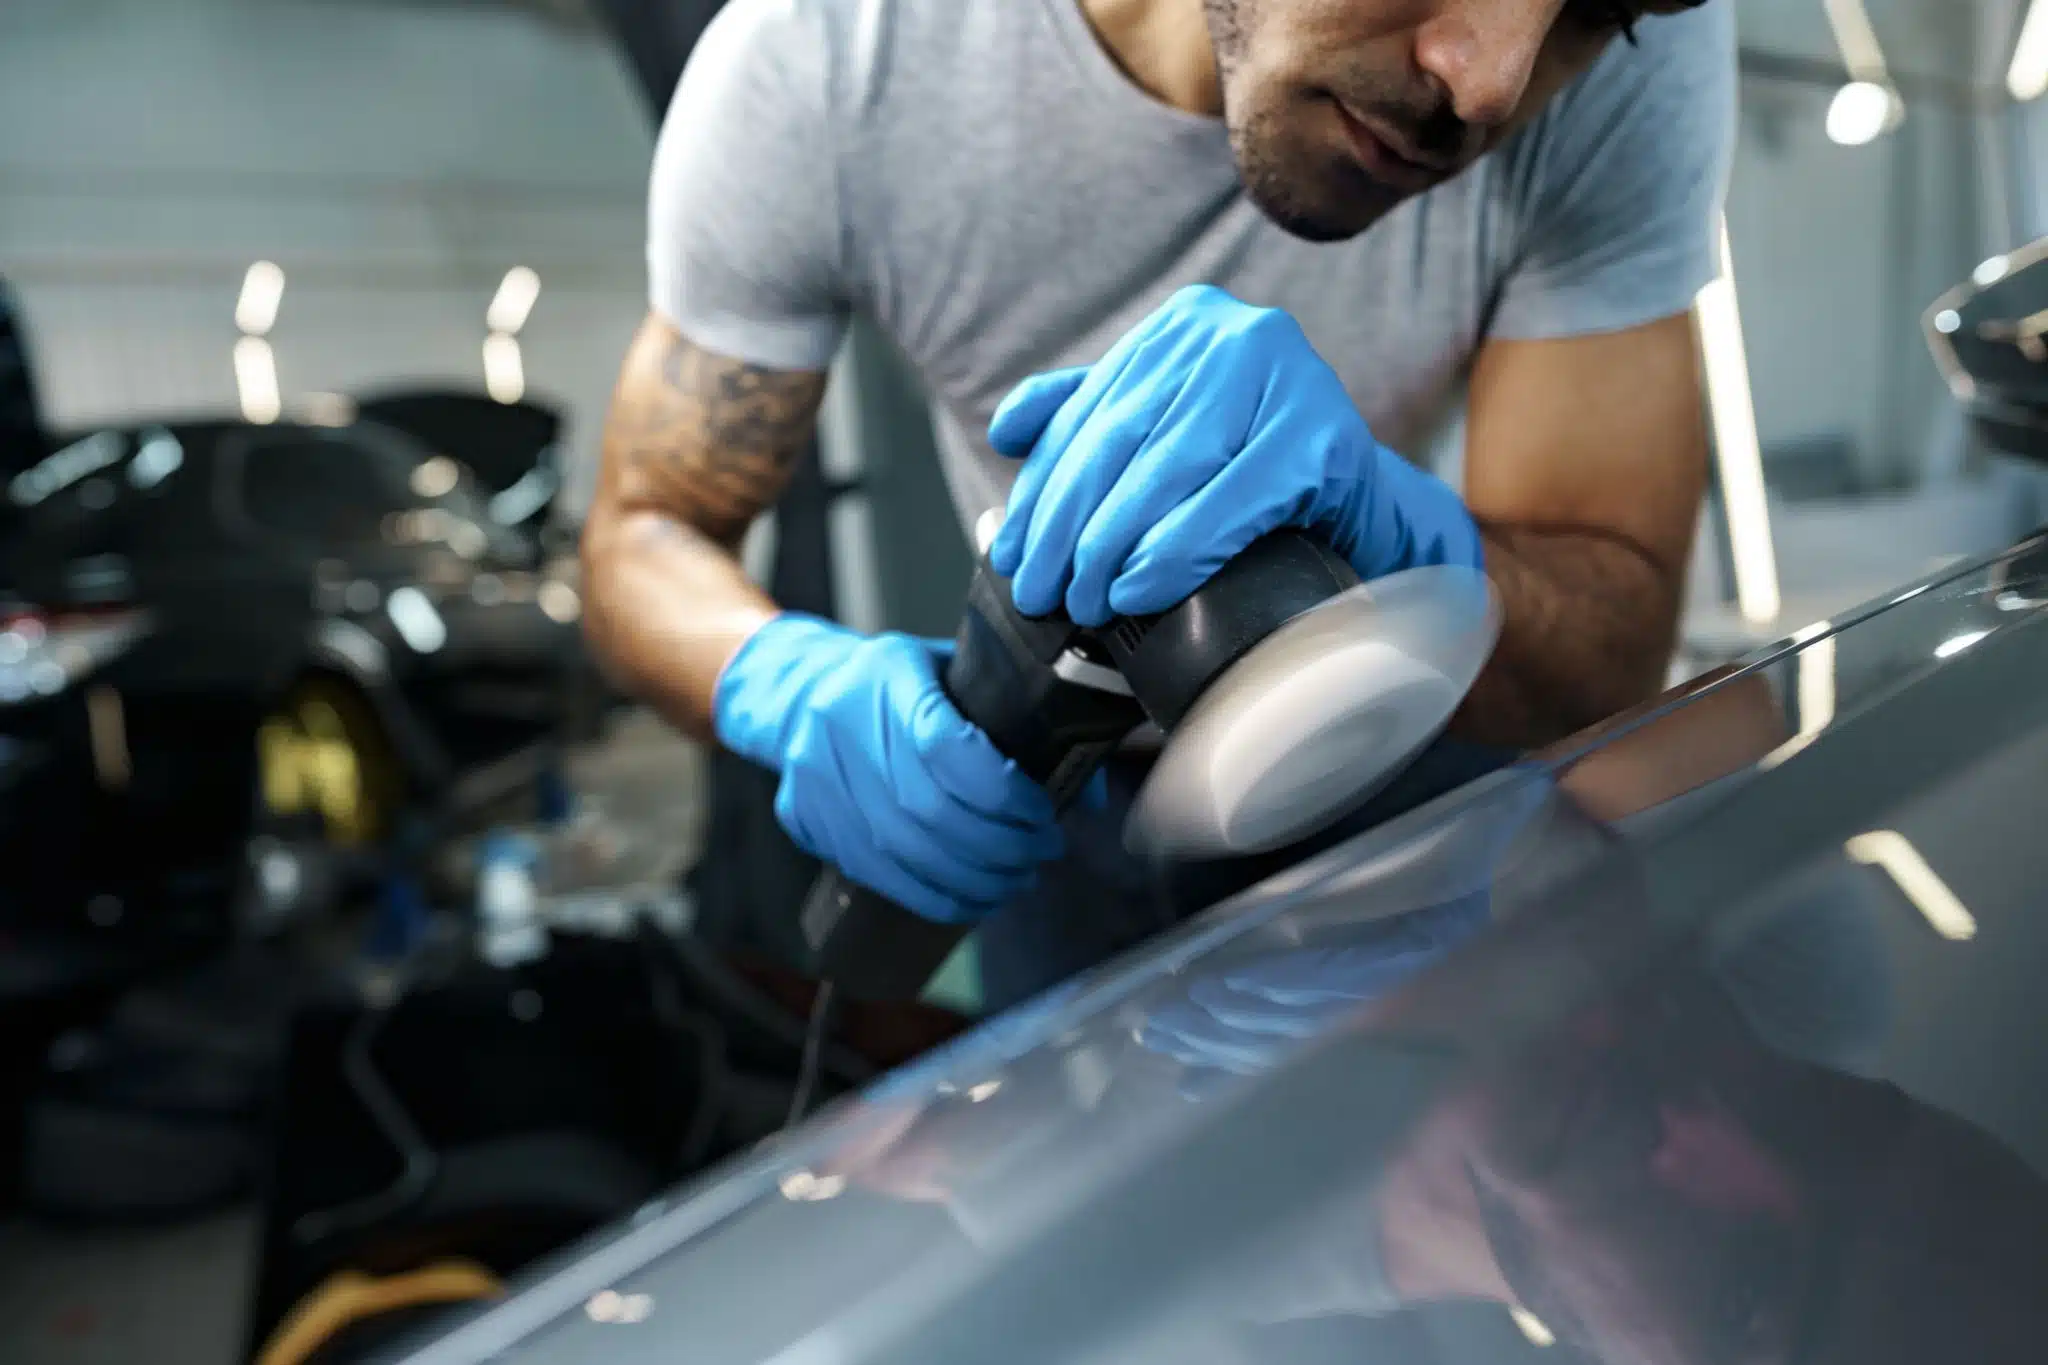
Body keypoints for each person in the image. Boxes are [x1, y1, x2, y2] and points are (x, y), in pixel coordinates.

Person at [581, 0, 1736, 1004]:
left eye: (1599, 10)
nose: (1488, 84)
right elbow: (643, 534)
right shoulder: (833, 57)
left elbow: (1612, 645)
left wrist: (1420, 556)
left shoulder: (1632, 74)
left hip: (1388, 740)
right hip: (1047, 795)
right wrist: (786, 686)